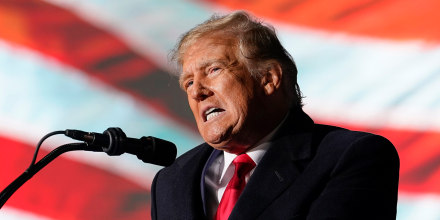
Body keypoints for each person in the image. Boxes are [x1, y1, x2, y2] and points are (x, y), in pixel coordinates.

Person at [151, 10, 399, 220]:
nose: (197, 92)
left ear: (269, 79)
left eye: (214, 70)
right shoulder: (171, 181)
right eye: (189, 83)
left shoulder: (352, 157)